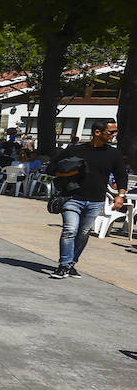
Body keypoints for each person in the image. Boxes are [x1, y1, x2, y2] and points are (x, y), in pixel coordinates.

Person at [47, 119, 127, 279]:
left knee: (83, 233)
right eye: (111, 132)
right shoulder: (75, 150)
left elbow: (121, 175)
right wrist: (67, 173)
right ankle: (63, 265)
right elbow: (51, 168)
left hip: (96, 200)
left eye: (115, 132)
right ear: (98, 132)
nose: (114, 135)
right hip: (72, 198)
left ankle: (71, 264)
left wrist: (121, 196)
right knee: (70, 230)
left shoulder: (114, 154)